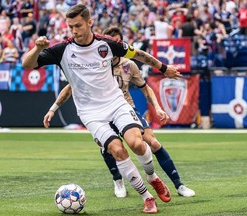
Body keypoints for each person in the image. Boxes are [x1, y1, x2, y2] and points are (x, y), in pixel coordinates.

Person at [22, 4, 182, 214]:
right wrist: (37, 48)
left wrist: (163, 68)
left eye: (78, 25)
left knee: (137, 143)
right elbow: (27, 64)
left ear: (89, 23)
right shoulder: (62, 50)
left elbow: (138, 54)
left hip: (116, 103)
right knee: (117, 150)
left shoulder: (107, 44)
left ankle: (152, 177)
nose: (74, 31)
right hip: (91, 114)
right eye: (70, 27)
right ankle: (147, 197)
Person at [44, 26, 195, 199]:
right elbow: (70, 88)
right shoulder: (95, 62)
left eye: (116, 42)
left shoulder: (128, 65)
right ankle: (118, 181)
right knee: (108, 148)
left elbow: (146, 89)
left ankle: (179, 184)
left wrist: (158, 107)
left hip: (125, 107)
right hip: (100, 111)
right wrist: (53, 108)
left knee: (152, 142)